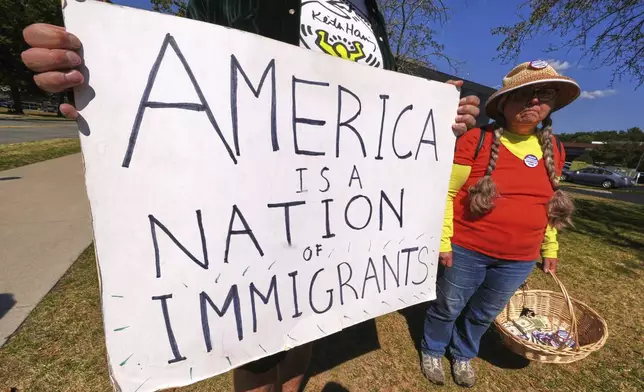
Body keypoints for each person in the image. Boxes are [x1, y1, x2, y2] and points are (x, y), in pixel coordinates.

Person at [20, 1, 481, 391]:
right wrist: (102, 68)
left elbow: (372, 100)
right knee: (256, 336)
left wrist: (436, 112)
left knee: (306, 314)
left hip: (331, 208)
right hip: (252, 195)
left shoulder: (370, 9)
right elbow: (191, 61)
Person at [420, 61, 579, 387]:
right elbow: (446, 193)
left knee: (483, 313)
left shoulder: (556, 149)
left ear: (552, 105)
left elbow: (549, 205)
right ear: (504, 103)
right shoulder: (475, 139)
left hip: (519, 259)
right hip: (467, 250)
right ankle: (433, 349)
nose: (535, 102)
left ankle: (463, 354)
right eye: (525, 94)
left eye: (544, 95)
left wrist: (550, 247)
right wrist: (444, 240)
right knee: (448, 305)